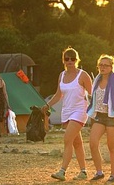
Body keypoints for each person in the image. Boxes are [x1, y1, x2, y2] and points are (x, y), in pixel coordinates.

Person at [42, 47, 92, 181]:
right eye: (67, 58)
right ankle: (83, 172)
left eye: (73, 58)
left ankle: (62, 171)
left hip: (80, 110)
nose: (70, 61)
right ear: (63, 60)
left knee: (67, 139)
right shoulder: (62, 75)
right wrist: (47, 105)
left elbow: (92, 93)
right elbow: (59, 95)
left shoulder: (83, 75)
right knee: (77, 143)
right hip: (67, 111)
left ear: (77, 60)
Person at [87, 54, 114, 183]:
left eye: (105, 65)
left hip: (112, 116)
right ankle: (99, 172)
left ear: (111, 67)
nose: (102, 67)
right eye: (100, 65)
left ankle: (113, 175)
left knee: (111, 146)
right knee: (92, 143)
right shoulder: (96, 80)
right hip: (99, 116)